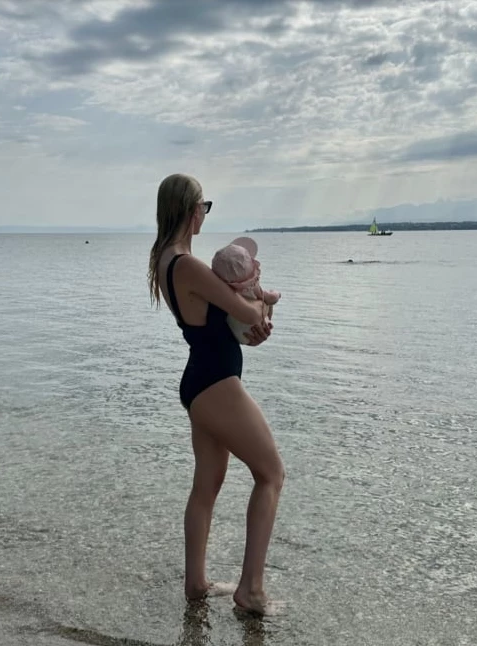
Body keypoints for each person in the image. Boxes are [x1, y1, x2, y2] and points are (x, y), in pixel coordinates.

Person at [147, 173, 285, 616]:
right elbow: (244, 310)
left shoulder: (166, 260)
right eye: (204, 207)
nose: (205, 215)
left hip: (201, 383)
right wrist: (262, 304)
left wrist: (252, 325)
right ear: (192, 211)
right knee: (271, 474)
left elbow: (221, 322)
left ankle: (196, 584)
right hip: (215, 382)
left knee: (206, 487)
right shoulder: (186, 264)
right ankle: (252, 590)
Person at [211, 237, 281, 344]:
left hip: (236, 332)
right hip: (253, 331)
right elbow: (271, 298)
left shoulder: (225, 291)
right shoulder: (252, 286)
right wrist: (277, 293)